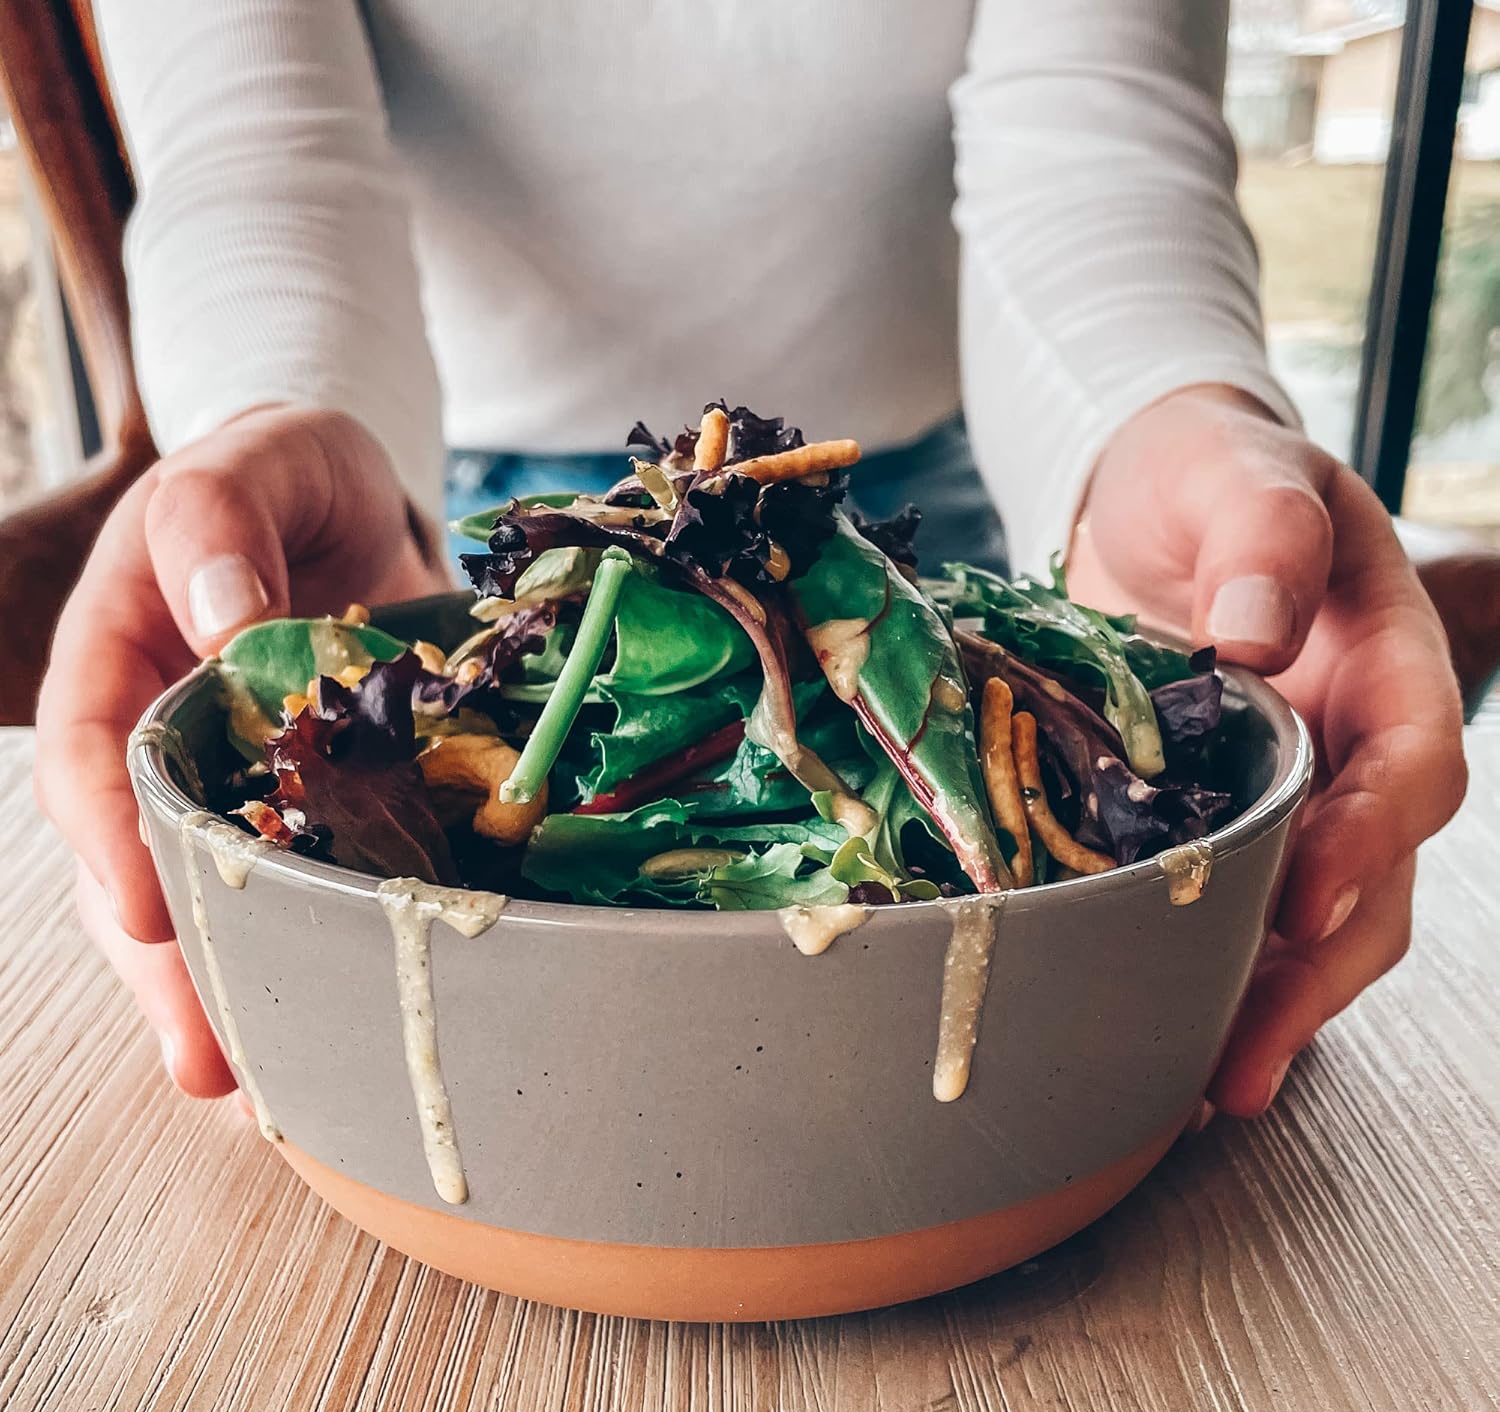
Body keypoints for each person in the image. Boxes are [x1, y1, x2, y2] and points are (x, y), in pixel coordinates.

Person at [34, 1, 1466, 1118]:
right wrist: (269, 416)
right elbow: (255, 150)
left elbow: (1092, 134)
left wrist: (1172, 417)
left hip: (918, 542)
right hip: (464, 539)